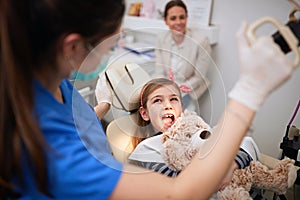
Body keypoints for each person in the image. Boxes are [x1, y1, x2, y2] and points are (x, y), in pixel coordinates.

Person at [0, 0, 294, 199]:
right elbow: (180, 193)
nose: (168, 105)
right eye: (110, 45)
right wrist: (252, 89)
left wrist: (101, 106)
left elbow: (248, 146)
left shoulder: (52, 82)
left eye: (174, 99)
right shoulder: (144, 152)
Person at [128, 78, 259, 191]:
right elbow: (180, 185)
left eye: (173, 99)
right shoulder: (146, 149)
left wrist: (232, 166)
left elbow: (244, 143)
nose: (167, 105)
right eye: (157, 100)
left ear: (181, 108)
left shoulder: (198, 133)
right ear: (144, 113)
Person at [153, 0, 212, 111]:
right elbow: (159, 71)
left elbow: (198, 77)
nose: (178, 22)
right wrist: (164, 90)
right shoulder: (161, 39)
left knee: (182, 121)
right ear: (165, 21)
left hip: (188, 91)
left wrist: (177, 91)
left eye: (182, 17)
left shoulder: (201, 41)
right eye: (173, 18)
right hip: (165, 89)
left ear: (186, 18)